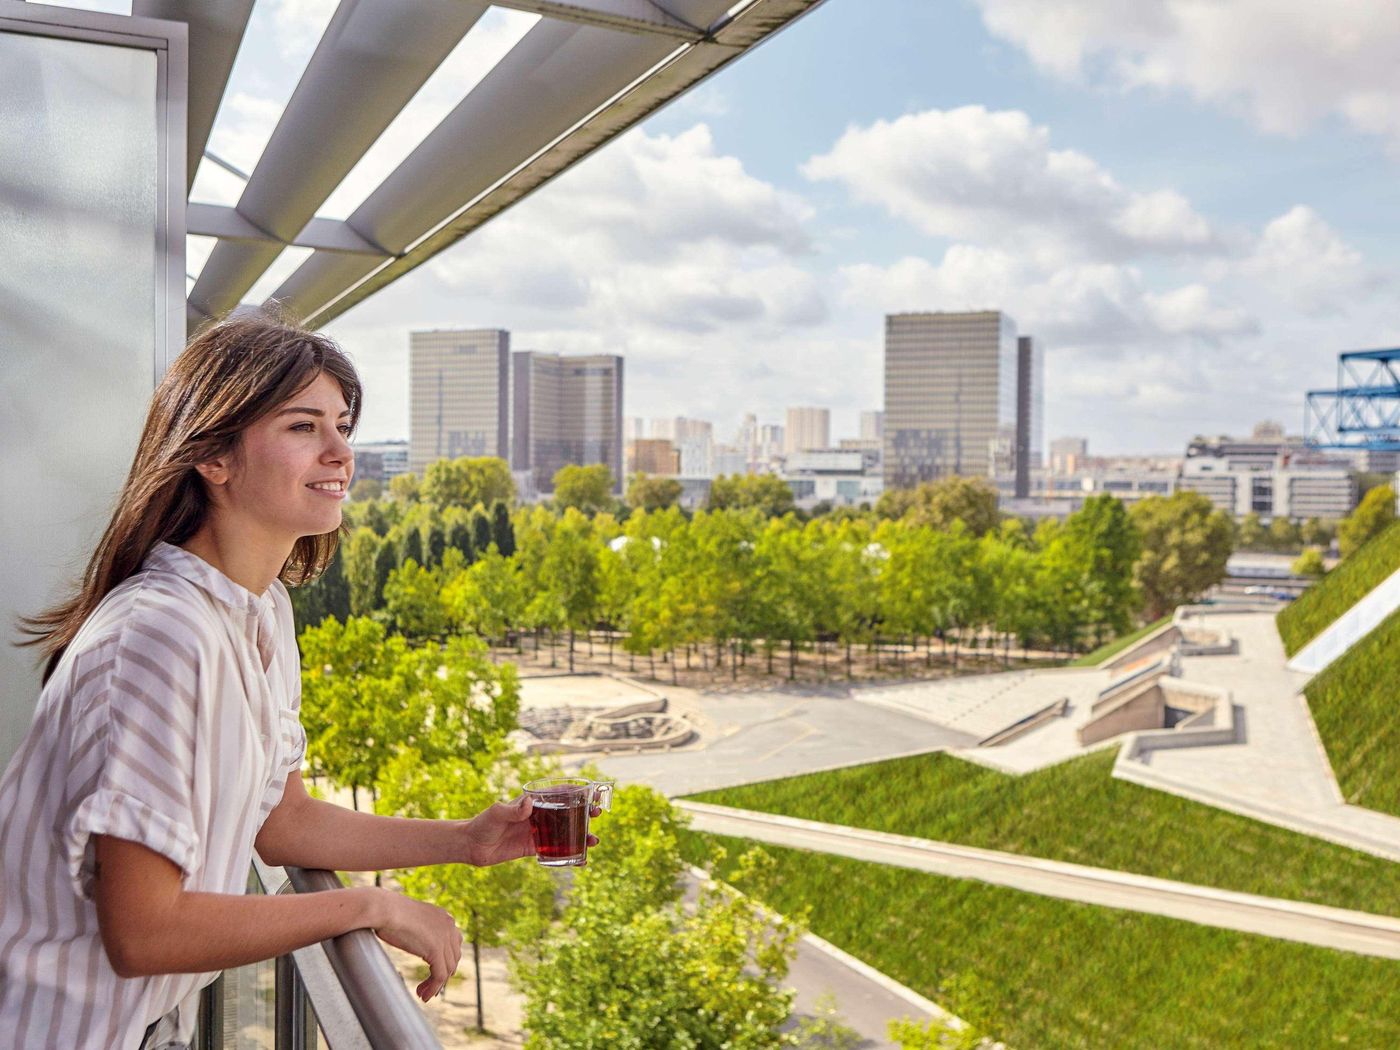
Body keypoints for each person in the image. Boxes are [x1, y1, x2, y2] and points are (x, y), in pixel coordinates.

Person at [0, 316, 587, 1049]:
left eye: (342, 425)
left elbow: (283, 822)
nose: (342, 452)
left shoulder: (261, 611)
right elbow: (144, 933)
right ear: (212, 455)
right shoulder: (157, 638)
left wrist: (468, 840)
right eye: (304, 426)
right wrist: (367, 907)